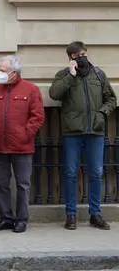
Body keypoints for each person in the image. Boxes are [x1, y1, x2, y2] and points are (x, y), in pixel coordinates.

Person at [49, 42, 116, 230]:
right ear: (70, 58)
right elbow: (54, 94)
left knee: (96, 173)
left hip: (95, 130)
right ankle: (71, 215)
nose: (81, 57)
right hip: (72, 132)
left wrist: (102, 113)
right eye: (76, 55)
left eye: (83, 54)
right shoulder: (63, 75)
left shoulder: (99, 74)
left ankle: (95, 214)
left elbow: (111, 98)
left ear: (87, 53)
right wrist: (71, 76)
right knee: (70, 173)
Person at [0, 55, 44, 233]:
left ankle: (21, 219)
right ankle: (6, 218)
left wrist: (25, 135)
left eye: (2, 70)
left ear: (14, 72)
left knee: (22, 184)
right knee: (1, 184)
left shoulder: (31, 89)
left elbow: (38, 116)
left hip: (22, 146)